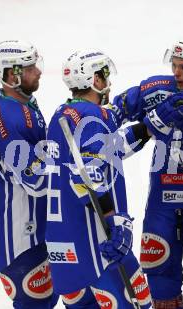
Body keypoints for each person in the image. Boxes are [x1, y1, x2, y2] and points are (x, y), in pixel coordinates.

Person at [108, 37, 183, 308]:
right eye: (175, 65)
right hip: (164, 202)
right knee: (160, 280)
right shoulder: (157, 90)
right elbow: (110, 115)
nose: (176, 73)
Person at [44, 49, 153, 308]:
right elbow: (88, 176)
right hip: (98, 242)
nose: (108, 82)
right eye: (104, 75)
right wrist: (114, 221)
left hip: (64, 246)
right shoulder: (93, 116)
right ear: (93, 79)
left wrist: (149, 127)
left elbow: (110, 148)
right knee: (138, 305)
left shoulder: (61, 114)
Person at [0, 40, 58, 308]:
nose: (39, 72)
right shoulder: (12, 118)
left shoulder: (1, 100)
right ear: (12, 74)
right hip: (18, 232)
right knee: (37, 303)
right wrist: (61, 152)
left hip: (8, 217)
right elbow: (36, 180)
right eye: (31, 68)